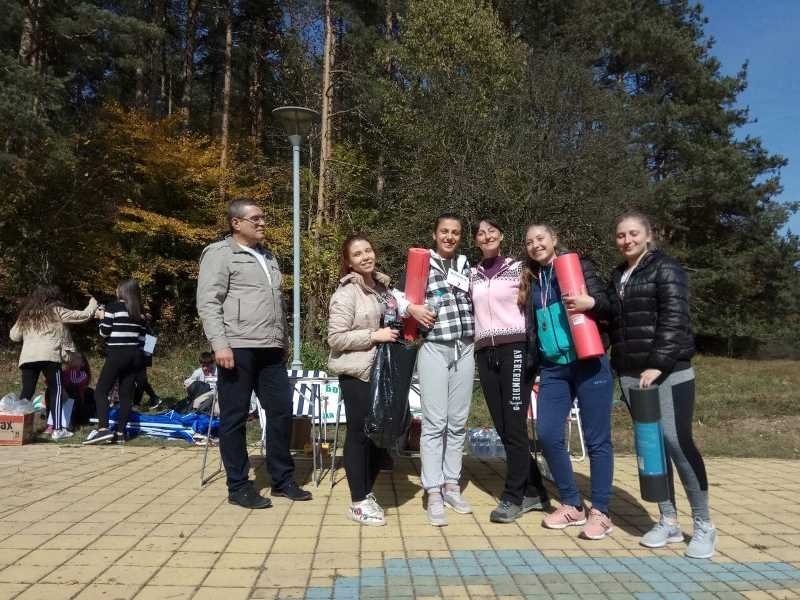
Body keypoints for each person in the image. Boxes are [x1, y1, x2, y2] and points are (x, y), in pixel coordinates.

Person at [608, 210, 716, 559]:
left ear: (648, 235)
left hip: (668, 371)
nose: (627, 240)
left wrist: (658, 363)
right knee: (652, 447)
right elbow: (614, 321)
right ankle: (668, 520)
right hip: (631, 372)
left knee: (676, 442)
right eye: (621, 235)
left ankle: (703, 524)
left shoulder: (666, 268)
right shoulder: (618, 275)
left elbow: (674, 318)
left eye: (633, 233)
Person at [196, 198, 311, 509]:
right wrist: (219, 344)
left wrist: (283, 341)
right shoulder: (220, 253)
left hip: (270, 349)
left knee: (281, 411)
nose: (262, 223)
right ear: (236, 223)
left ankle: (282, 480)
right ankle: (238, 486)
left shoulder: (267, 256)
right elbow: (208, 302)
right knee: (234, 417)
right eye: (255, 218)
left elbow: (277, 305)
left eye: (263, 218)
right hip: (237, 347)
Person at [520, 224, 615, 540]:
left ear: (554, 239)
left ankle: (601, 511)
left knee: (596, 439)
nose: (535, 245)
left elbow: (607, 304)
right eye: (530, 242)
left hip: (589, 362)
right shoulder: (533, 280)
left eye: (541, 239)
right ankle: (573, 504)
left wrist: (592, 304)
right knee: (548, 434)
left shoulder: (578, 266)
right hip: (553, 368)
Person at [470, 219, 550, 523]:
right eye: (481, 233)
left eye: (492, 231)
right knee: (503, 427)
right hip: (484, 352)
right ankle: (536, 490)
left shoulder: (520, 268)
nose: (487, 236)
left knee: (514, 426)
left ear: (501, 235)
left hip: (515, 349)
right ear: (476, 240)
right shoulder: (472, 274)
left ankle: (513, 497)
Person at [399, 213, 475, 527]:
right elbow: (397, 300)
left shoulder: (466, 266)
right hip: (434, 347)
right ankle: (433, 491)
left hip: (465, 347)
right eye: (444, 231)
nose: (449, 236)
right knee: (434, 423)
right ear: (435, 234)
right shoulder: (420, 264)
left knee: (457, 422)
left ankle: (451, 484)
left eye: (455, 232)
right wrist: (412, 308)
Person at [327, 234, 400, 526]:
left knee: (378, 435)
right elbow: (336, 338)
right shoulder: (346, 294)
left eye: (368, 250)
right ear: (349, 262)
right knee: (359, 434)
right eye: (357, 254)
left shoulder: (383, 288)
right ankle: (358, 501)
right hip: (357, 372)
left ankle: (367, 492)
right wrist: (374, 336)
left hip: (383, 372)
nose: (365, 256)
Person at [9, 285, 98, 440]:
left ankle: (16, 429)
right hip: (49, 356)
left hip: (28, 357)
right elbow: (82, 316)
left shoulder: (27, 314)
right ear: (54, 298)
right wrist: (93, 302)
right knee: (56, 390)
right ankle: (58, 429)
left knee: (27, 392)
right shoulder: (56, 310)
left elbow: (14, 336)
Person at [84, 279, 147, 444]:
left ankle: (103, 429)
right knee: (126, 395)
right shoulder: (140, 313)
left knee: (101, 391)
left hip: (117, 354)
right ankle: (120, 433)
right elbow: (143, 340)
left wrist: (101, 317)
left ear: (122, 291)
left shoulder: (113, 307)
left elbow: (104, 332)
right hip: (135, 356)